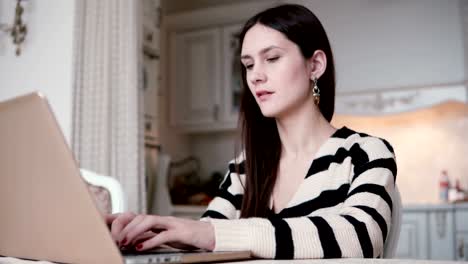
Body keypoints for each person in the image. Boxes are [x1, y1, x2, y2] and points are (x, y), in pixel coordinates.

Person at [107, 4, 397, 259]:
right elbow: (202, 239)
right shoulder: (245, 166)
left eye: (271, 58)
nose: (255, 75)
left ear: (315, 65)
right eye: (248, 65)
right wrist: (150, 234)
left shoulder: (366, 153)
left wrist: (213, 234)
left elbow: (361, 236)